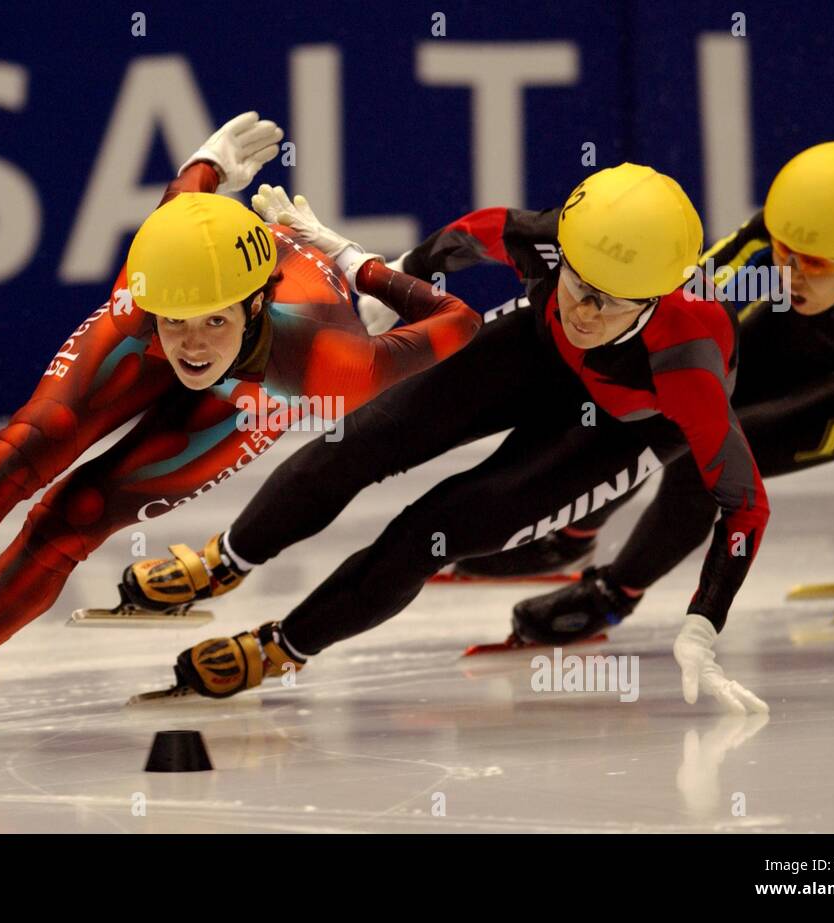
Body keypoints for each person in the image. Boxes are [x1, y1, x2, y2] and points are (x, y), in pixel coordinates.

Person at [0, 112, 481, 728]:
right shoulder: (147, 292)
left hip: (263, 384)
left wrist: (353, 262)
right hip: (152, 328)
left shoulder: (333, 360)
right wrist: (206, 160)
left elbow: (459, 320)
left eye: (212, 323)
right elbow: (185, 198)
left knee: (79, 511)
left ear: (254, 306)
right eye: (178, 323)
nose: (192, 345)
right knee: (20, 452)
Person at [135, 163, 772, 712]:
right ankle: (227, 560)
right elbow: (469, 234)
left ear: (655, 298)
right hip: (538, 351)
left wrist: (703, 623)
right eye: (579, 286)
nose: (585, 311)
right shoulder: (551, 240)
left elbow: (745, 504)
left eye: (610, 304)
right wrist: (397, 270)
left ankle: (284, 646)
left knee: (429, 531)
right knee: (357, 440)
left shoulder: (689, 362)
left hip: (626, 426)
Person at [467, 142, 834, 639]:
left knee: (711, 456)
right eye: (782, 252)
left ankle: (613, 594)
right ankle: (572, 535)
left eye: (815, 264)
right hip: (818, 329)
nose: (789, 274)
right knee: (665, 385)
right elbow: (680, 295)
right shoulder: (796, 230)